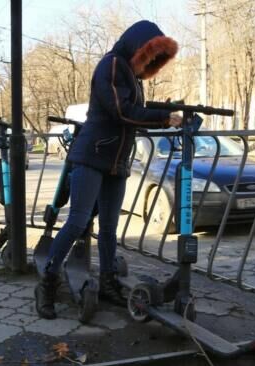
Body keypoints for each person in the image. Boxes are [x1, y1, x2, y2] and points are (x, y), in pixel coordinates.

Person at [35, 20, 182, 319]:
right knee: (77, 222)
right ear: (138, 49)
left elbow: (133, 111)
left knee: (109, 229)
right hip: (92, 155)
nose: (150, 64)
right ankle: (47, 283)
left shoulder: (133, 77)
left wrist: (165, 111)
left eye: (155, 60)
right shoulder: (112, 65)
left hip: (117, 162)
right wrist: (163, 118)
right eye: (149, 56)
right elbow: (122, 111)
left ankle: (107, 282)